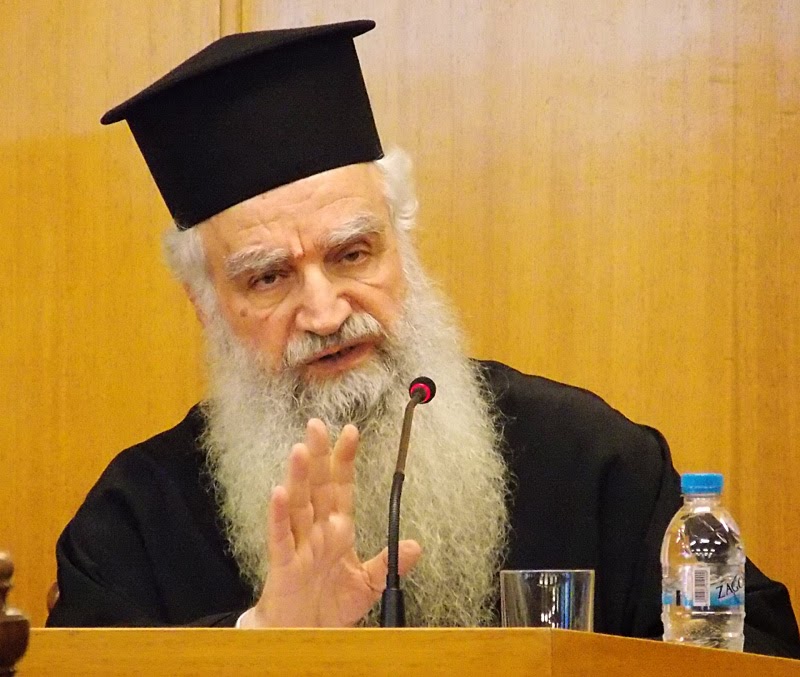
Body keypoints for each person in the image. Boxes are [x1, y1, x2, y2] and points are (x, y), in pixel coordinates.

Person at [47, 20, 800, 656]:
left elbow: (758, 648)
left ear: (402, 247)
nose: (325, 313)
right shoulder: (135, 520)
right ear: (206, 304)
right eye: (268, 277)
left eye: (352, 254)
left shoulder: (589, 460)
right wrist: (262, 640)